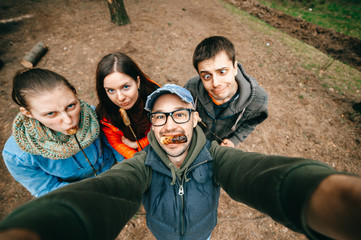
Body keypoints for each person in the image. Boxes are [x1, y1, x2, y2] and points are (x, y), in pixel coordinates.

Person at [0, 84, 361, 240]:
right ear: (151, 127)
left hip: (202, 230)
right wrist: (52, 223)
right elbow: (106, 191)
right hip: (163, 231)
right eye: (159, 117)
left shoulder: (217, 156)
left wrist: (317, 192)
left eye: (179, 114)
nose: (169, 122)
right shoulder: (140, 164)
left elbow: (259, 175)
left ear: (194, 120)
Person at [2, 68, 123, 197]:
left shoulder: (91, 115)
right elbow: (47, 189)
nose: (68, 121)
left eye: (71, 106)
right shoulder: (18, 155)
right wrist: (96, 194)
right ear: (28, 113)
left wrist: (124, 170)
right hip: (82, 195)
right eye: (50, 113)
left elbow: (113, 143)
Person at [185, 36, 269, 148]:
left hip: (218, 149)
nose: (215, 83)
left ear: (235, 68)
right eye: (207, 76)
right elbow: (179, 109)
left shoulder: (258, 100)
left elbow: (251, 123)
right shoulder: (191, 88)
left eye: (222, 72)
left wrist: (234, 140)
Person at [95, 52, 160, 159]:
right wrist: (138, 159)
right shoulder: (105, 114)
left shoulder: (156, 96)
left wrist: (138, 144)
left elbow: (163, 129)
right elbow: (116, 143)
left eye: (125, 87)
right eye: (111, 90)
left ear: (137, 82)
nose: (120, 98)